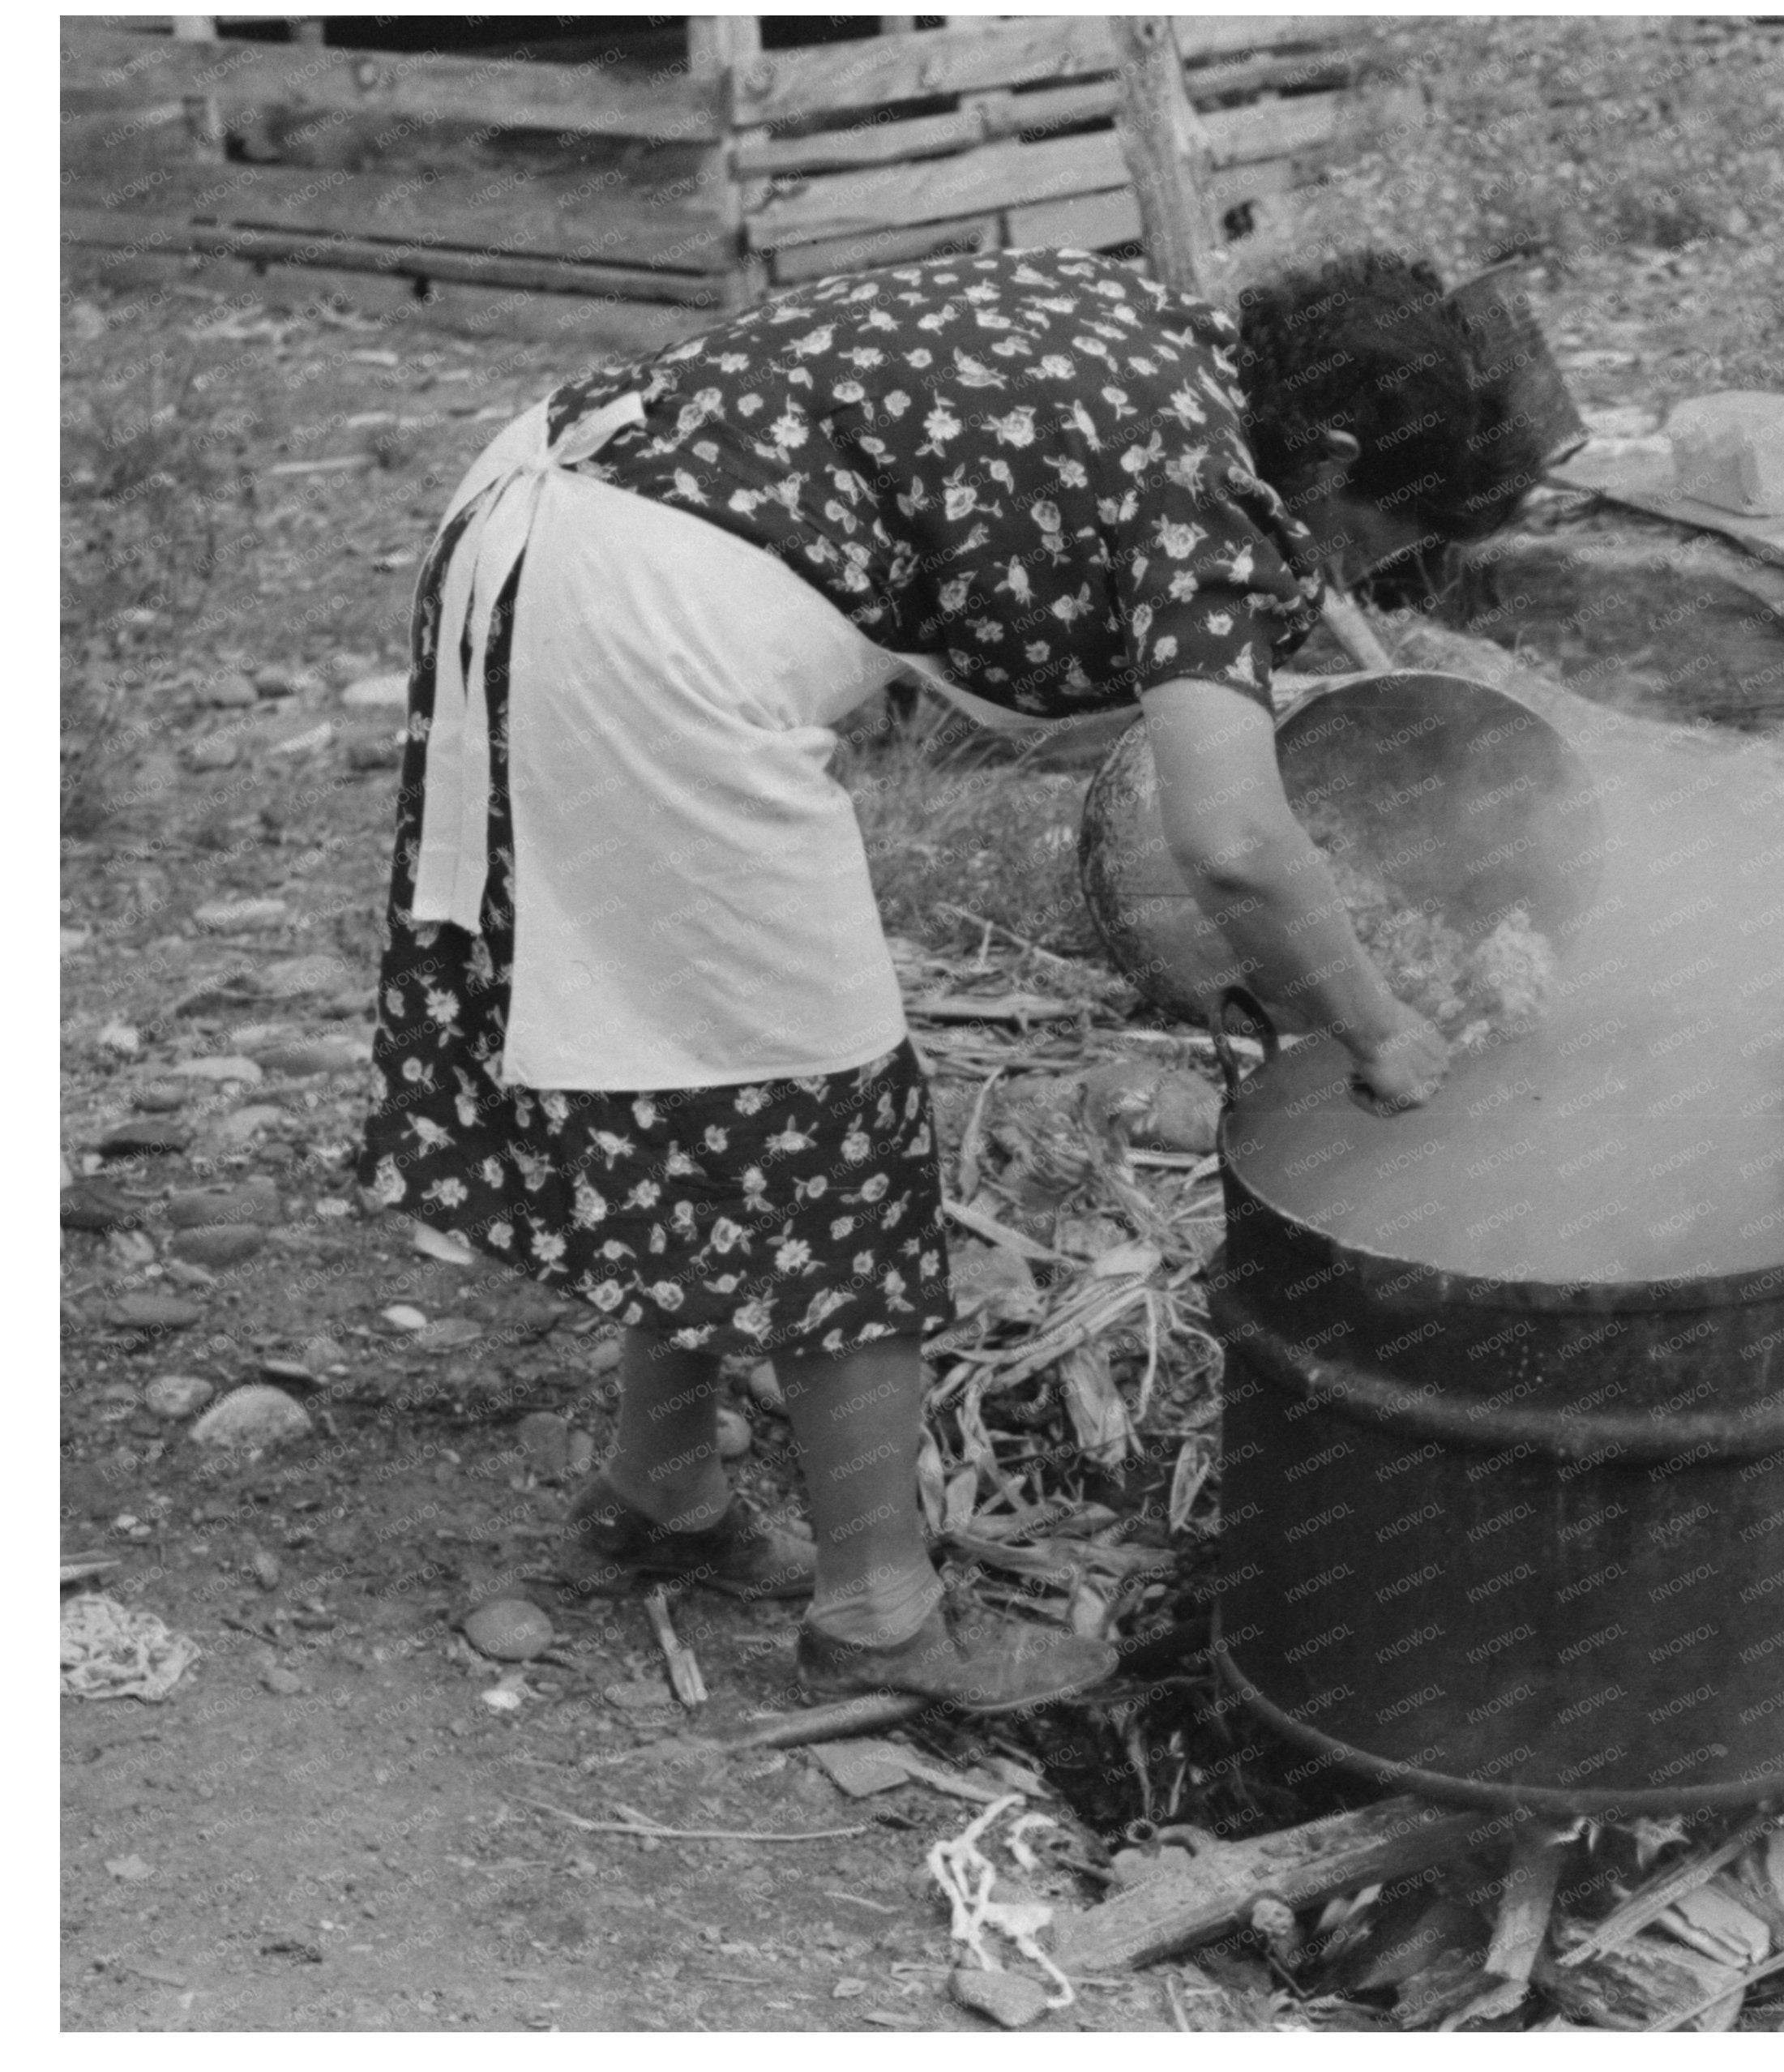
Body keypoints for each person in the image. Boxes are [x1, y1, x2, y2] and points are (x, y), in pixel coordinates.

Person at [357, 246, 1547, 1714]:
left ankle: (659, 1485)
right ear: (1341, 451)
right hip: (653, 626)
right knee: (825, 1123)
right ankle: (876, 1614)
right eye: (1381, 530)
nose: (1364, 567)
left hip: (547, 520)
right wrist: (1380, 1027)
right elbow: (1235, 843)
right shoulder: (1207, 498)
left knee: (696, 1052)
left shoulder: (1173, 337)